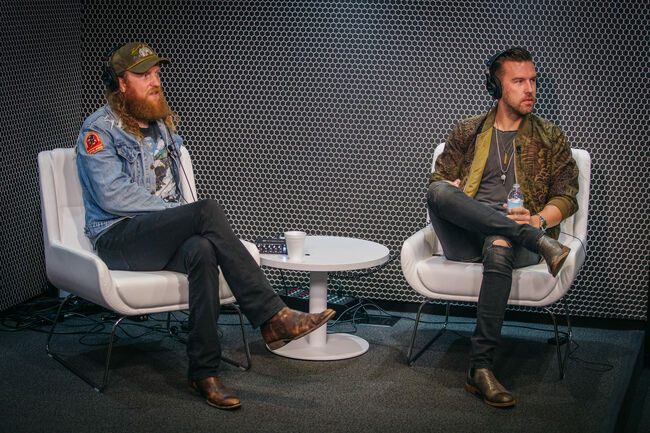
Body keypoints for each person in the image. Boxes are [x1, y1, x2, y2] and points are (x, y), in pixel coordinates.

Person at [76, 42, 335, 410]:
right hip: (117, 237)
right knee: (205, 210)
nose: (155, 81)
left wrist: (177, 218)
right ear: (121, 83)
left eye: (156, 73)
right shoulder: (99, 129)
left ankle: (203, 372)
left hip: (154, 237)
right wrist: (176, 214)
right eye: (144, 75)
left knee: (201, 249)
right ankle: (272, 315)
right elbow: (112, 195)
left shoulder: (161, 127)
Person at [427, 47, 579, 407]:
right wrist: (452, 186)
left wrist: (538, 220)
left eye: (533, 81)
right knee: (437, 192)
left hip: (513, 242)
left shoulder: (550, 136)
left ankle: (479, 368)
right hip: (467, 237)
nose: (530, 89)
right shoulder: (467, 130)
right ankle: (538, 241)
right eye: (519, 81)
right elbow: (440, 182)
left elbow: (566, 196)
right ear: (496, 87)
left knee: (500, 240)